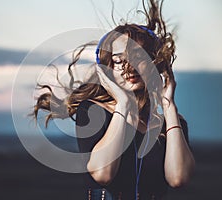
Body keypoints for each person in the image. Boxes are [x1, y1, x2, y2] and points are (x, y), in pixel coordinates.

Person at [32, 0, 195, 199]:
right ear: (107, 66)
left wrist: (169, 106)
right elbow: (103, 174)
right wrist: (124, 104)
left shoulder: (172, 124)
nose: (130, 67)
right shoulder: (92, 111)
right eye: (119, 60)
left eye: (139, 58)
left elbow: (178, 178)